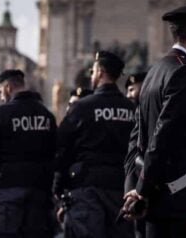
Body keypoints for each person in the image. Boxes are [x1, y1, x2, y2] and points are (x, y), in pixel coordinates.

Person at [122, 0, 186, 237]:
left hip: (156, 202)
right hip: (181, 203)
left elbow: (137, 138)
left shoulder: (155, 72)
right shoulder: (184, 72)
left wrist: (133, 187)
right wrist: (140, 190)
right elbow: (163, 135)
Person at [55, 50, 134, 237]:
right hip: (121, 188)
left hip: (87, 188)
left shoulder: (81, 107)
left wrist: (59, 186)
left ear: (100, 72)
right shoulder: (132, 110)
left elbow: (61, 148)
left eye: (93, 71)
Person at [0, 69, 57, 238]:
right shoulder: (47, 116)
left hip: (7, 189)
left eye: (0, 92)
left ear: (7, 87)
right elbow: (55, 152)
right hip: (39, 191)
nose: (1, 97)